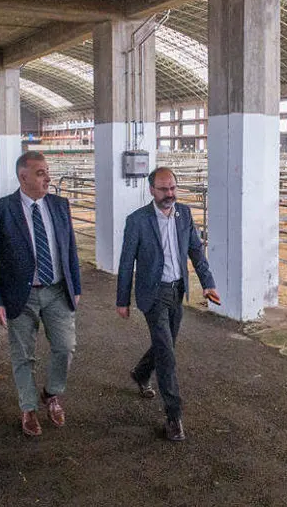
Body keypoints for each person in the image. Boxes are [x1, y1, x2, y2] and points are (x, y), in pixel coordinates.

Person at [0, 152, 81, 438]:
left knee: (65, 346)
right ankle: (28, 408)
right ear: (22, 177)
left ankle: (52, 392)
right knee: (23, 355)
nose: (47, 177)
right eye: (40, 173)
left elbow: (69, 248)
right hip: (19, 295)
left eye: (47, 171)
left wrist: (76, 287)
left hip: (58, 291)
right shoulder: (1, 210)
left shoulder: (60, 205)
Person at [116, 167, 219, 442]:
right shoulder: (137, 221)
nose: (169, 194)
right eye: (163, 189)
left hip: (177, 291)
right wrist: (122, 300)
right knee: (167, 355)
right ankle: (174, 416)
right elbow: (126, 263)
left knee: (166, 346)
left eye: (172, 188)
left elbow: (196, 250)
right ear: (151, 190)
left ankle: (140, 373)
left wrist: (208, 283)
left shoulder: (184, 214)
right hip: (153, 294)